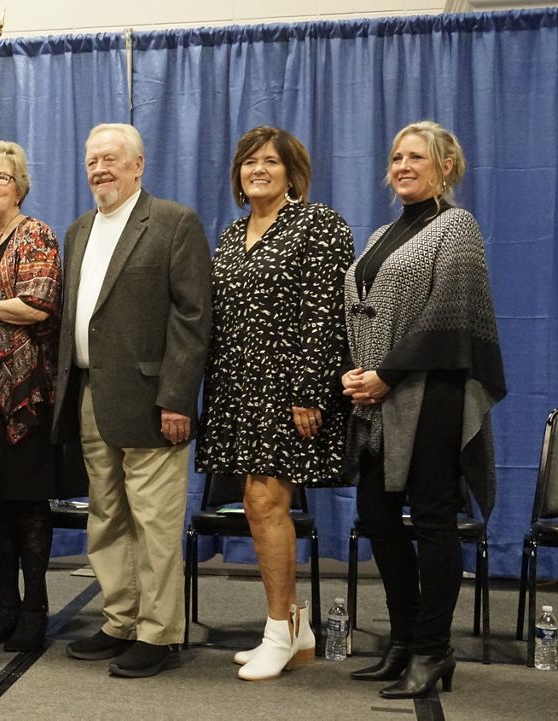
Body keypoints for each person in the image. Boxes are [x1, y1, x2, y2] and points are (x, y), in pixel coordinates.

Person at [342, 120, 506, 698]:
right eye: (396, 157)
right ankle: (404, 640)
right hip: (376, 403)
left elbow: (447, 318)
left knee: (433, 521)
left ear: (446, 168)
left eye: (417, 157)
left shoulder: (456, 227)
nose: (403, 166)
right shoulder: (382, 233)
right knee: (379, 520)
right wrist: (360, 374)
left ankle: (435, 650)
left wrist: (385, 374)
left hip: (433, 396)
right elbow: (362, 312)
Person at [52, 123, 211, 678]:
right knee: (107, 518)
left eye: (111, 159)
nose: (100, 169)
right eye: (92, 160)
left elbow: (192, 320)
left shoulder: (173, 222)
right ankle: (121, 619)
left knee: (156, 522)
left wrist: (177, 401)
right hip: (90, 394)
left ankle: (160, 631)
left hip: (151, 402)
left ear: (138, 165)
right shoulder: (77, 231)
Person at [194, 126, 354, 680]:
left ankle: (278, 630)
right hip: (237, 391)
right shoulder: (232, 234)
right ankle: (300, 629)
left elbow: (327, 315)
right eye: (248, 162)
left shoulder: (319, 225)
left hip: (289, 394)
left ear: (292, 172)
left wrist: (311, 393)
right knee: (258, 504)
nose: (257, 170)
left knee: (266, 506)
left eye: (270, 162)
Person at [0, 140, 76, 652]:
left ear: (20, 186)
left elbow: (38, 307)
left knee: (26, 506)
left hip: (24, 394)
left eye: (0, 177)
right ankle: (3, 608)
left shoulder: (36, 235)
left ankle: (35, 609)